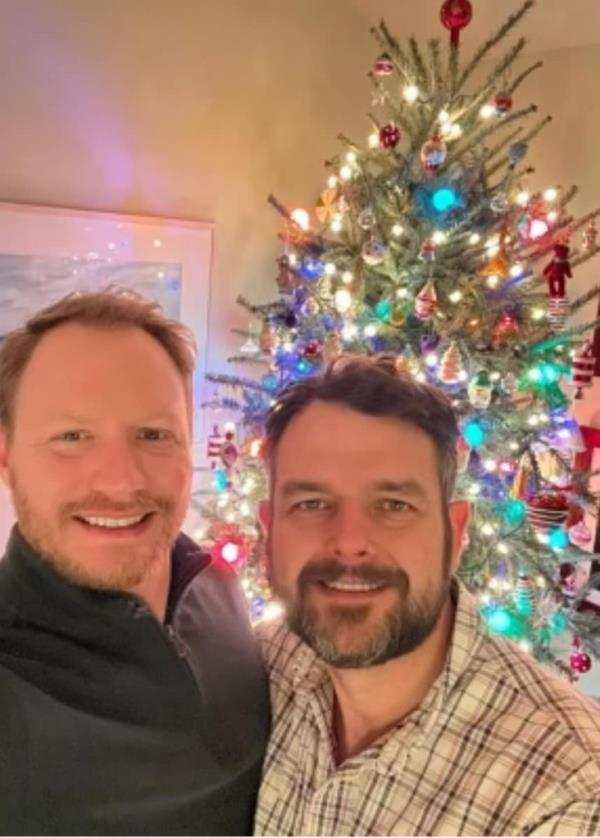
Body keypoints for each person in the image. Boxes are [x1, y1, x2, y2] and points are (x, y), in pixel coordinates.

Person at [255, 354, 600, 836]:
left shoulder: (571, 790)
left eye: (394, 505)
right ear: (268, 532)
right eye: (311, 504)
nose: (350, 540)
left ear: (455, 535)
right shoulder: (261, 666)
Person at [0, 289, 269, 835]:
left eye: (153, 435)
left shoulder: (216, 583)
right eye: (71, 437)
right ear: (6, 459)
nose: (122, 480)